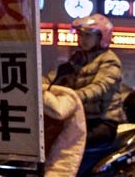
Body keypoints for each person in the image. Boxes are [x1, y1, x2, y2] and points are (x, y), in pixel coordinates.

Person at [47, 14, 125, 147]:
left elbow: (100, 87)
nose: (83, 39)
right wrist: (38, 86)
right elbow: (55, 77)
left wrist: (74, 96)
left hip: (103, 121)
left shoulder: (110, 60)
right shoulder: (77, 58)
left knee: (71, 143)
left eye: (88, 35)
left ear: (101, 37)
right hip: (80, 119)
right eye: (80, 35)